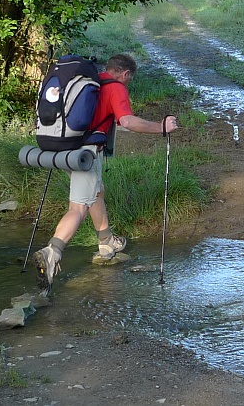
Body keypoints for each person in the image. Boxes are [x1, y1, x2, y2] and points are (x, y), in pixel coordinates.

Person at [34, 53, 179, 293]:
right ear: (125, 74)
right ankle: (52, 252)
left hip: (63, 149)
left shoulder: (89, 82)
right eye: (129, 79)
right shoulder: (115, 88)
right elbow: (128, 122)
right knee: (78, 207)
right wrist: (161, 127)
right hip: (85, 154)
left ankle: (106, 242)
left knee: (97, 191)